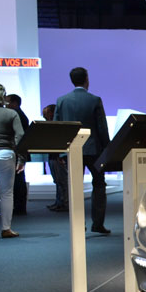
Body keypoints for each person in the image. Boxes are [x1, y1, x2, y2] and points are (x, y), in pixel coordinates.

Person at [54, 67, 111, 234]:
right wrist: (107, 148)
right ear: (87, 79)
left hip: (72, 150)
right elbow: (102, 127)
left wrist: (59, 151)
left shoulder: (61, 100)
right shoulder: (95, 100)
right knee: (99, 185)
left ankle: (78, 223)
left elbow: (57, 126)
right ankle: (98, 223)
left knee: (75, 187)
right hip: (94, 150)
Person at [0, 83, 24, 238]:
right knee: (7, 193)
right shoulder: (11, 113)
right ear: (3, 96)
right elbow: (20, 135)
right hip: (5, 154)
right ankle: (6, 228)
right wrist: (21, 157)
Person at [5, 94, 29, 215]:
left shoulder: (16, 115)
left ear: (15, 103)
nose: (5, 104)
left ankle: (19, 207)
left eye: (8, 102)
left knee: (17, 180)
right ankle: (19, 206)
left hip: (16, 151)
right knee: (18, 180)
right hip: (18, 152)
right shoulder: (19, 114)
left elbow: (19, 136)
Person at [43, 104, 68, 212]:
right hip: (53, 155)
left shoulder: (59, 125)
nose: (45, 116)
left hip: (58, 156)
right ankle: (59, 202)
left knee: (62, 181)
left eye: (47, 113)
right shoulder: (52, 125)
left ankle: (64, 203)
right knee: (58, 180)